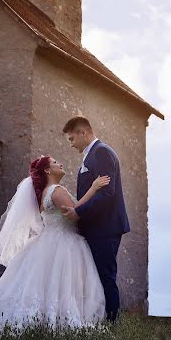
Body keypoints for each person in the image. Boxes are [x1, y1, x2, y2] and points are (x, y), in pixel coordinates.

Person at [0, 155, 110, 336]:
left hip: (49, 241)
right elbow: (74, 214)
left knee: (45, 284)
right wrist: (93, 188)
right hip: (64, 242)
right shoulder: (57, 190)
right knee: (61, 284)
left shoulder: (45, 192)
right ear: (47, 170)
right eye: (55, 163)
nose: (60, 163)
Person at [61, 116, 130, 323]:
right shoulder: (91, 154)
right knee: (96, 277)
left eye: (72, 139)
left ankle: (111, 325)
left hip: (105, 228)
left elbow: (107, 193)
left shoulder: (101, 152)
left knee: (105, 277)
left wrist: (78, 213)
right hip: (96, 228)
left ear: (84, 132)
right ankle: (98, 322)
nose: (71, 144)